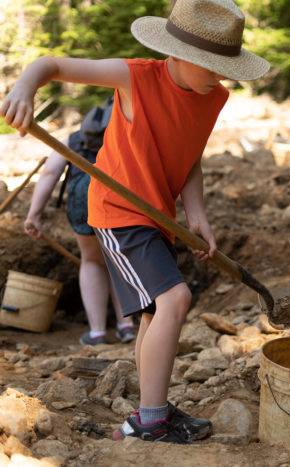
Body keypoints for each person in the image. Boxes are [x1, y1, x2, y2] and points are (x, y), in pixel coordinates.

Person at [1, 0, 269, 444]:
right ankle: (152, 419)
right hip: (119, 213)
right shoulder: (135, 77)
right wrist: (23, 89)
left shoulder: (214, 96)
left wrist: (197, 215)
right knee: (175, 298)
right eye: (213, 66)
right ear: (181, 56)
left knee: (151, 313)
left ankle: (148, 412)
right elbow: (49, 64)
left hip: (158, 217)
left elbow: (191, 155)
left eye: (226, 66)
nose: (222, 75)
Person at [24, 98, 137, 346]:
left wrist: (35, 213)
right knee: (119, 261)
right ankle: (126, 326)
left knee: (92, 260)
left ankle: (97, 332)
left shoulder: (74, 139)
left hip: (81, 202)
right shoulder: (128, 136)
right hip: (118, 202)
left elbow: (50, 173)